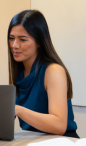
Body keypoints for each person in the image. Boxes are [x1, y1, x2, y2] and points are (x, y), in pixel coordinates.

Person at [8, 10, 79, 138]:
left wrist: (18, 110)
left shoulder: (53, 71)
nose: (14, 45)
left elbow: (59, 126)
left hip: (62, 142)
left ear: (39, 42)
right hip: (34, 141)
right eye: (11, 38)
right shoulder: (19, 71)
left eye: (23, 40)